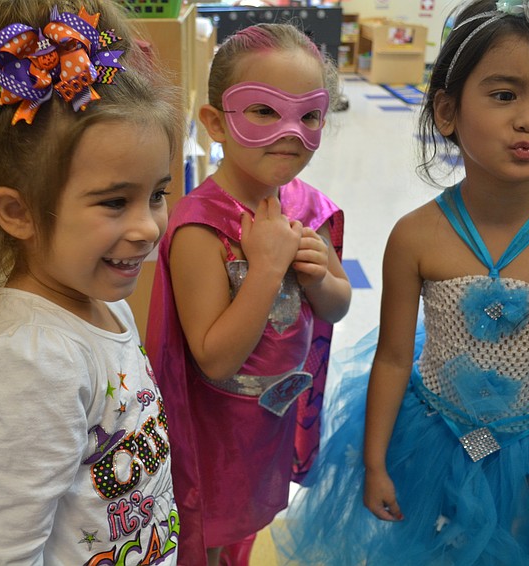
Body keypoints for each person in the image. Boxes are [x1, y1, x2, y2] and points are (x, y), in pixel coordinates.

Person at [275, 0, 529, 564]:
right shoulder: (415, 236)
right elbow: (391, 359)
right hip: (432, 441)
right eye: (505, 95)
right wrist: (377, 462)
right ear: (447, 111)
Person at [0, 0, 183, 563]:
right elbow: (1, 555)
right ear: (18, 212)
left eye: (156, 194)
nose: (148, 227)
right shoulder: (34, 364)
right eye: (114, 202)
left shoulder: (101, 303)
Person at [145, 22, 352, 566]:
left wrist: (317, 278)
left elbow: (339, 304)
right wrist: (264, 270)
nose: (290, 131)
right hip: (220, 426)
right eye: (263, 110)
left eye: (308, 115)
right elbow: (214, 357)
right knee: (212, 522)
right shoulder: (200, 229)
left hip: (275, 413)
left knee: (252, 516)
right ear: (216, 122)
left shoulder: (309, 208)